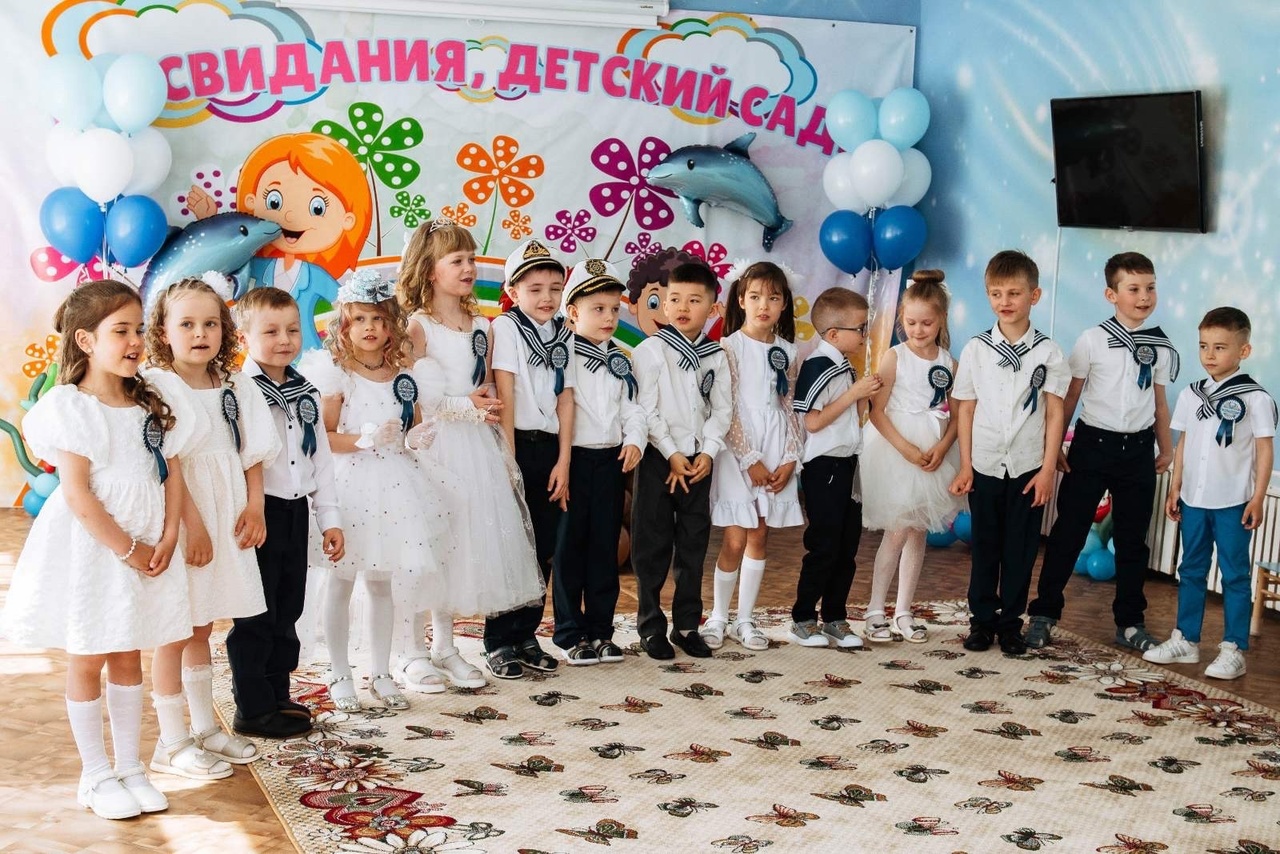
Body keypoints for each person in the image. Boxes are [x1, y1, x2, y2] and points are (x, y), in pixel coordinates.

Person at [0, 280, 194, 819]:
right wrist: (128, 549)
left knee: (129, 652)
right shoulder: (71, 407)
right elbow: (79, 495)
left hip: (149, 541)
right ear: (85, 341)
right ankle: (96, 774)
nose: (135, 341)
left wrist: (170, 534)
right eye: (121, 331)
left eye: (139, 329)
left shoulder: (151, 399)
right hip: (97, 549)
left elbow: (172, 472)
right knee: (89, 655)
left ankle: (130, 767)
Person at [397, 218, 545, 688]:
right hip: (436, 446)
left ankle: (446, 648)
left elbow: (486, 385)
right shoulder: (419, 326)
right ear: (429, 269)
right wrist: (466, 406)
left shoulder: (482, 325)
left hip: (477, 447)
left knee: (459, 549)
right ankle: (413, 651)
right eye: (457, 260)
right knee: (430, 548)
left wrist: (488, 412)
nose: (468, 268)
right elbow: (413, 398)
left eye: (471, 259)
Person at [143, 274, 280, 778]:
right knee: (175, 627)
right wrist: (192, 527)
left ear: (224, 329)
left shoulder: (235, 384)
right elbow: (168, 463)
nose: (199, 334)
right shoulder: (159, 386)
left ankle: (204, 728)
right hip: (185, 515)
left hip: (229, 509)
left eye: (209, 324)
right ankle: (171, 741)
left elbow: (253, 450)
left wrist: (256, 506)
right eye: (186, 324)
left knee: (203, 624)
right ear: (163, 331)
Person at [299, 269, 451, 710]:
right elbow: (324, 438)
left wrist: (418, 437)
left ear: (391, 325)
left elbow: (412, 427)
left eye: (378, 319)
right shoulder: (337, 376)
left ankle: (382, 672)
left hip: (396, 487)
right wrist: (364, 439)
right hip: (350, 487)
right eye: (360, 319)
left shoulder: (403, 376)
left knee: (382, 584)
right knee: (342, 582)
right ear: (345, 324)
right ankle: (339, 672)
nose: (370, 328)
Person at [1025, 253, 1179, 651]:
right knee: (1069, 532)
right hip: (1092, 446)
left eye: (1150, 288)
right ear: (1112, 295)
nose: (1144, 297)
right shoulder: (1092, 339)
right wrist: (1055, 448)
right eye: (1134, 289)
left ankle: (1130, 623)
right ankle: (1044, 613)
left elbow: (1160, 402)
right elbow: (1071, 395)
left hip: (1138, 450)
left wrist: (1166, 448)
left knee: (1133, 541)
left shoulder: (1160, 346)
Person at [228, 287, 344, 738]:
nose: (284, 340)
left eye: (292, 330)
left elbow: (322, 462)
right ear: (244, 338)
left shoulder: (306, 391)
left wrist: (329, 519)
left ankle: (277, 694)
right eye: (271, 331)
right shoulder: (238, 392)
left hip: (295, 514)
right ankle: (252, 708)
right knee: (255, 614)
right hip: (257, 514)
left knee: (288, 608)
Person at [1143, 307, 1275, 680]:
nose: (1209, 355)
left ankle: (1233, 648)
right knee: (1190, 569)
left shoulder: (1256, 399)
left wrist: (1258, 497)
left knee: (1234, 575)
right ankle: (1186, 640)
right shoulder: (1191, 393)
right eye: (1204, 346)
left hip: (1233, 501)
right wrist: (1176, 485)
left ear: (1243, 351)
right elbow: (1184, 441)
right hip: (1194, 500)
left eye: (1220, 347)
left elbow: (1264, 450)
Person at [949, 250, 1069, 655]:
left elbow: (1054, 413)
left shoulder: (1049, 352)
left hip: (1028, 468)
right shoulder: (976, 349)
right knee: (984, 547)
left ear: (1034, 296)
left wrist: (1047, 470)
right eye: (996, 293)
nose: (1005, 301)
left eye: (1014, 293)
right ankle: (982, 622)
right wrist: (966, 465)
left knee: (1020, 550)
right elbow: (965, 408)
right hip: (984, 464)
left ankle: (1010, 625)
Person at [188, 133, 373, 350]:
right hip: (259, 354)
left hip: (305, 356)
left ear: (348, 219)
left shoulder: (315, 276)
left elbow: (346, 308)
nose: (290, 216)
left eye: (317, 208)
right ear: (251, 201)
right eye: (274, 201)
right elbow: (220, 269)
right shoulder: (255, 267)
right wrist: (208, 222)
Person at [631, 260, 732, 659]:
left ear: (713, 308)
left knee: (693, 544)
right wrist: (672, 454)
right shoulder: (650, 351)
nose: (682, 307)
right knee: (651, 544)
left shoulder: (716, 355)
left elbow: (722, 409)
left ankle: (687, 625)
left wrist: (708, 451)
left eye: (694, 300)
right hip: (659, 459)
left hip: (699, 462)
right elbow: (646, 409)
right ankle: (650, 626)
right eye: (674, 299)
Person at [702, 261, 805, 652]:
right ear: (741, 300)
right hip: (739, 452)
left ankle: (745, 619)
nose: (764, 305)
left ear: (784, 304)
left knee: (760, 534)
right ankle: (718, 616)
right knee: (734, 537)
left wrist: (790, 458)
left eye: (773, 298)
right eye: (756, 296)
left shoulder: (789, 351)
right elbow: (726, 408)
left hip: (777, 448)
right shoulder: (728, 347)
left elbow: (791, 407)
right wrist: (750, 459)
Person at [484, 238, 575, 677]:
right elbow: (505, 394)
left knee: (542, 547)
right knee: (511, 546)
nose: (546, 298)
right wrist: (508, 461)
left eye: (555, 288)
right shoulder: (506, 328)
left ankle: (526, 634)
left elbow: (566, 399)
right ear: (513, 290)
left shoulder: (564, 333)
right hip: (515, 444)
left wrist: (564, 462)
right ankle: (499, 640)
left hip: (550, 449)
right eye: (535, 288)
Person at [861, 271, 965, 644]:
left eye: (927, 323)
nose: (918, 330)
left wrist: (943, 447)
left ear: (941, 320)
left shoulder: (950, 363)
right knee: (897, 530)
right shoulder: (895, 357)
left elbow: (958, 416)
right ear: (901, 320)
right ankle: (875, 609)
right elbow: (876, 411)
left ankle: (903, 610)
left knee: (918, 530)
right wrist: (905, 448)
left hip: (932, 450)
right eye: (911, 322)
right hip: (897, 448)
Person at [553, 259, 646, 664]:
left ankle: (601, 631)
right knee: (569, 549)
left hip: (610, 462)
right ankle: (569, 633)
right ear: (573, 312)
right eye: (598, 309)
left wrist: (635, 439)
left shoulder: (621, 359)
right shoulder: (562, 356)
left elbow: (633, 407)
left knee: (604, 548)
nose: (609, 318)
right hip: (573, 462)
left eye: (614, 309)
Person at [788, 287, 882, 648]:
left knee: (847, 547)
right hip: (824, 467)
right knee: (824, 545)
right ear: (833, 333)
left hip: (848, 463)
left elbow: (848, 418)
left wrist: (863, 397)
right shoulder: (818, 365)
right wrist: (853, 394)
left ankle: (835, 617)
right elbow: (813, 422)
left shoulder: (844, 365)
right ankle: (802, 618)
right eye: (859, 328)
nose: (864, 335)